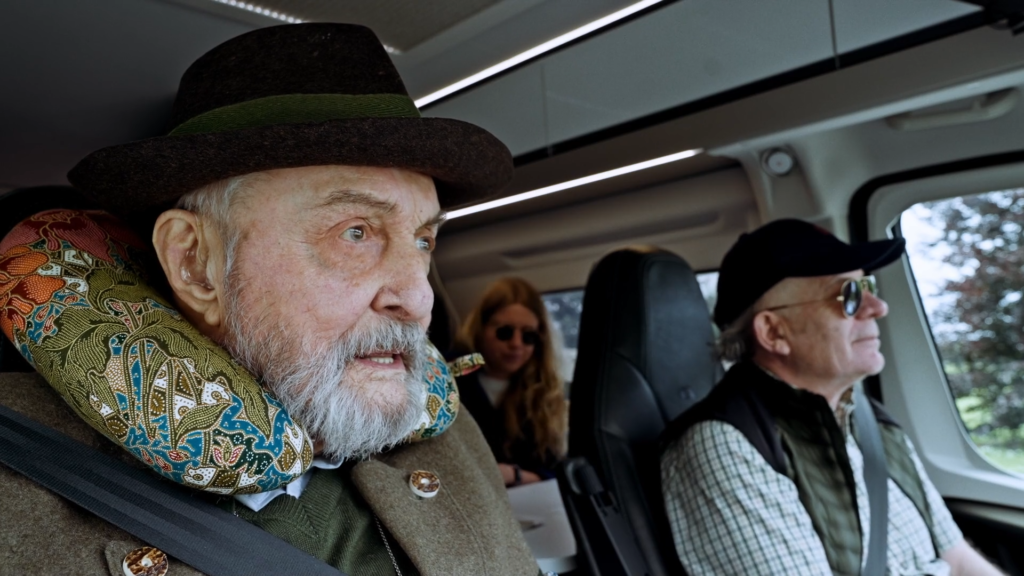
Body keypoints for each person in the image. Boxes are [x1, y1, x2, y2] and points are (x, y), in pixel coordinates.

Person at [0, 23, 542, 575]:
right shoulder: (21, 471)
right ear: (196, 263)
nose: (419, 299)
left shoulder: (453, 436)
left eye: (424, 240)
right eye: (355, 232)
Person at [660, 219, 1003, 575]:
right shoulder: (729, 443)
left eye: (867, 286)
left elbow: (956, 558)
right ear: (774, 332)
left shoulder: (870, 419)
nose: (877, 307)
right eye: (849, 296)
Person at [454, 277, 568, 486]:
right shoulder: (448, 377)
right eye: (504, 332)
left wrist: (514, 475)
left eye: (528, 336)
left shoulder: (544, 392)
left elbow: (556, 470)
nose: (516, 344)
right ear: (481, 329)